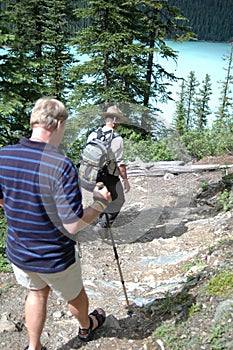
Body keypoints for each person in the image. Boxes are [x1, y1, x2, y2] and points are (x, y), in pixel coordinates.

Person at [0, 97, 112, 350]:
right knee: (75, 295)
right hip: (54, 256)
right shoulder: (60, 165)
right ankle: (86, 327)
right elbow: (72, 225)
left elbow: (3, 199)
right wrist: (99, 204)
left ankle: (33, 347)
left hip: (19, 251)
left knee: (37, 293)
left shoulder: (3, 156)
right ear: (59, 124)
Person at [86, 105, 130, 238]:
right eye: (119, 121)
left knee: (100, 199)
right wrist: (126, 180)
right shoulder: (117, 139)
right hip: (109, 175)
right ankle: (103, 226)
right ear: (115, 120)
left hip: (91, 173)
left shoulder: (93, 134)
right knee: (119, 199)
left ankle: (100, 223)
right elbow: (120, 164)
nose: (119, 124)